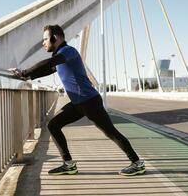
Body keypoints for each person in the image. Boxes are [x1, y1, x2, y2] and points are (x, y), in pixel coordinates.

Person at [10, 25, 145, 176]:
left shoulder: (68, 51)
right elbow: (49, 69)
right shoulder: (61, 57)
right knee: (53, 125)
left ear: (57, 37)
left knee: (111, 132)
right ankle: (68, 164)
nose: (43, 43)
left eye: (46, 39)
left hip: (90, 101)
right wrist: (27, 76)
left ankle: (137, 163)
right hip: (78, 103)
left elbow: (49, 63)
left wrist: (24, 72)